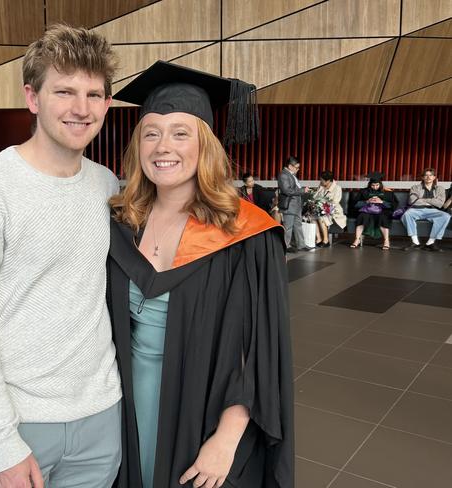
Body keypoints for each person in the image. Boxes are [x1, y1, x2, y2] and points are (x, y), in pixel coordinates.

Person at [0, 25, 122, 488]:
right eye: (64, 91)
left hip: (101, 417)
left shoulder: (107, 186)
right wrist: (1, 441)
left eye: (94, 94)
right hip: (19, 424)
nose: (81, 108)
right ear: (32, 97)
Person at [108, 61, 294, 488]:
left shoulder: (246, 234)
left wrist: (226, 440)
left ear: (204, 144)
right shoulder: (120, 223)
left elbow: (259, 352)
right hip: (123, 409)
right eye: (151, 132)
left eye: (180, 132)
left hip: (201, 411)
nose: (162, 146)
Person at [401, 168, 451, 252]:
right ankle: (415, 242)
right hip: (417, 210)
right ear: (422, 177)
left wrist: (423, 200)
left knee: (446, 216)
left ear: (434, 177)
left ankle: (430, 243)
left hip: (433, 211)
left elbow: (440, 203)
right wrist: (432, 201)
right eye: (426, 175)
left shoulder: (440, 189)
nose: (428, 177)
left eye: (431, 175)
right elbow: (413, 201)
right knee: (407, 214)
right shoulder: (415, 187)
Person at [350, 173, 396, 250]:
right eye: (373, 185)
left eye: (377, 185)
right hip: (367, 211)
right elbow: (355, 204)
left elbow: (393, 205)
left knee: (383, 218)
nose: (375, 187)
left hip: (382, 211)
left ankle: (386, 241)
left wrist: (382, 202)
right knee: (361, 216)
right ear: (369, 184)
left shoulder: (387, 192)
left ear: (380, 184)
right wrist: (367, 201)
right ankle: (357, 239)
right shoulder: (364, 192)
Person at [277, 156, 310, 252]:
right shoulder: (283, 175)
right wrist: (302, 190)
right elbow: (287, 190)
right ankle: (286, 246)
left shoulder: (291, 175)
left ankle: (301, 244)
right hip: (289, 205)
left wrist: (302, 190)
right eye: (296, 167)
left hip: (296, 205)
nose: (298, 169)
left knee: (298, 225)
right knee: (288, 227)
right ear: (290, 166)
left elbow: (295, 188)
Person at [313, 170, 346, 247]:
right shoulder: (321, 186)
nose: (320, 181)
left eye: (322, 180)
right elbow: (315, 197)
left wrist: (323, 207)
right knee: (311, 217)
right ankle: (319, 239)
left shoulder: (337, 188)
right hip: (321, 208)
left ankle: (326, 240)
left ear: (328, 181)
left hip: (333, 210)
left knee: (322, 216)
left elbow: (335, 202)